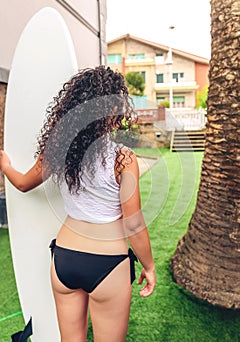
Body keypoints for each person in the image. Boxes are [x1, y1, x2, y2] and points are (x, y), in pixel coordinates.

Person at [0, 66, 156, 342]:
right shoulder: (123, 159)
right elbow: (133, 223)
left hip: (65, 259)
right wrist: (149, 266)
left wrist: (5, 166)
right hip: (108, 264)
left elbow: (23, 183)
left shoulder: (59, 149)